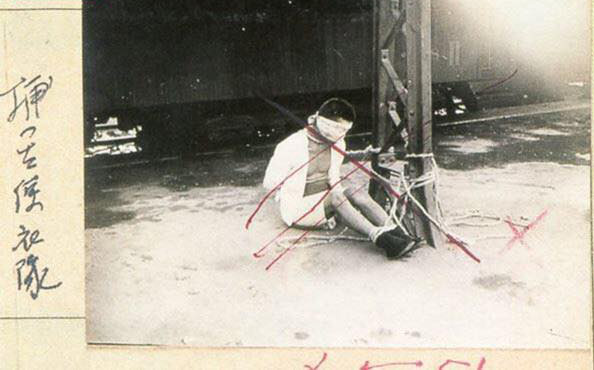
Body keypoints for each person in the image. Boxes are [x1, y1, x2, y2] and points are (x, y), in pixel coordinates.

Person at [263, 98, 418, 259]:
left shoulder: (338, 143)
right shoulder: (291, 146)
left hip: (324, 204)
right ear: (323, 123)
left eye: (343, 131)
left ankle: (398, 233)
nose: (340, 136)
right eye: (336, 130)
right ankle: (382, 239)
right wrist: (294, 181)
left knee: (353, 189)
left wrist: (341, 196)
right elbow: (269, 183)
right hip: (299, 210)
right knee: (336, 196)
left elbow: (333, 177)